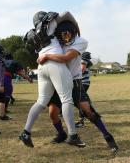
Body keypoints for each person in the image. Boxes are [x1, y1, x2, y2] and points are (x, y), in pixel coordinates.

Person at [38, 19, 118, 152]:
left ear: (74, 32)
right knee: (52, 114)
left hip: (74, 82)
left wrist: (47, 56)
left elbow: (66, 58)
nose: (66, 37)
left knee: (89, 112)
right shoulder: (55, 42)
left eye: (68, 34)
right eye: (63, 34)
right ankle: (62, 134)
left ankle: (108, 137)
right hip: (58, 82)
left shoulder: (81, 41)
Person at [19, 11, 85, 148]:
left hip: (41, 66)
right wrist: (76, 28)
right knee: (66, 99)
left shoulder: (33, 33)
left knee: (41, 101)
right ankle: (73, 135)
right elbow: (66, 13)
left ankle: (26, 132)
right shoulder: (49, 23)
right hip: (56, 63)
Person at [0, 44, 33, 120]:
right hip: (5, 79)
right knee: (5, 98)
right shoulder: (12, 62)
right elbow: (20, 73)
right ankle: (2, 112)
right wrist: (29, 79)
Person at [75, 51, 93, 128]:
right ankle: (88, 116)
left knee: (80, 101)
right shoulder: (87, 61)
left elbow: (82, 69)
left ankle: (81, 121)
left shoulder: (83, 60)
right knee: (84, 101)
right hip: (85, 83)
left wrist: (73, 74)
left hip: (82, 83)